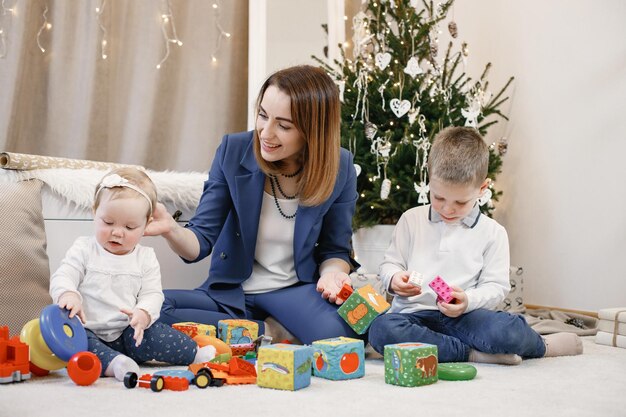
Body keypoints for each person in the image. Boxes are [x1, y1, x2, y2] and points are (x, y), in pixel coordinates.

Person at [145, 65, 361, 345]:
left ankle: (244, 334)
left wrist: (333, 276)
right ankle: (270, 332)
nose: (266, 133)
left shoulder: (339, 166)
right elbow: (201, 240)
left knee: (343, 334)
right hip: (233, 292)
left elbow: (335, 249)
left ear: (313, 131)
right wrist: (171, 230)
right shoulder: (233, 150)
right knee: (154, 309)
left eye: (283, 125)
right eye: (262, 115)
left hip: (294, 292)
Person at [368, 127, 583, 364]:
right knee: (381, 330)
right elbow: (390, 263)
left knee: (507, 329)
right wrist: (395, 278)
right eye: (439, 198)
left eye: (460, 202)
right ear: (429, 178)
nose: (448, 209)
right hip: (413, 316)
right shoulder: (411, 219)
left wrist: (468, 300)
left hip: (466, 318)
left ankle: (543, 345)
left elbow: (496, 287)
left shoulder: (493, 233)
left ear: (482, 189)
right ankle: (472, 354)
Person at [49, 168, 216, 381]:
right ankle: (116, 363)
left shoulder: (145, 257)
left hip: (129, 330)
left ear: (146, 225)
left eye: (129, 227)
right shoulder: (84, 249)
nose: (117, 232)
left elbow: (153, 294)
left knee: (157, 334)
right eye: (108, 222)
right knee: (78, 345)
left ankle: (193, 354)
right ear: (95, 212)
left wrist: (143, 314)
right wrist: (68, 294)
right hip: (87, 329)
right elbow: (64, 275)